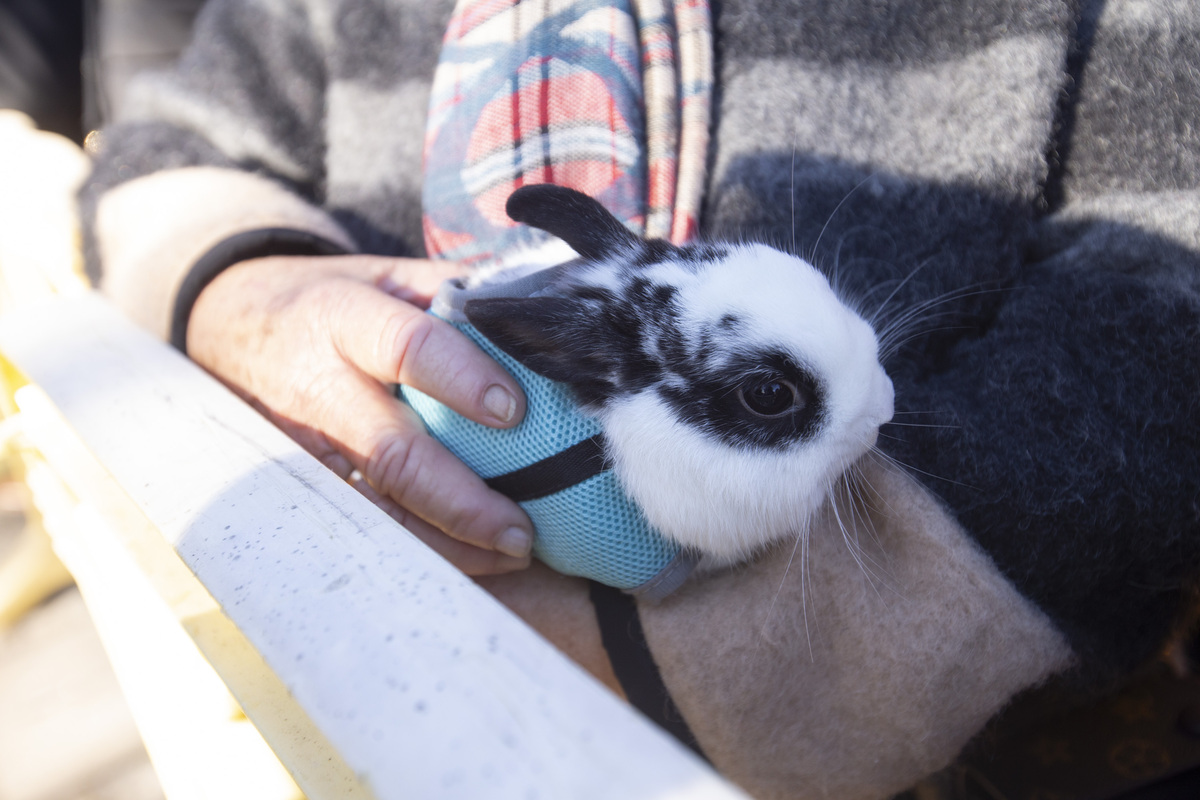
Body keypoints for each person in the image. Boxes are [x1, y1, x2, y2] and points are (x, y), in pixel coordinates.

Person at [80, 0, 1200, 796]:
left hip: (968, 750)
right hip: (352, 713)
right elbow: (171, 144)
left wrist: (740, 673)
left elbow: (1166, 282)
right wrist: (241, 279)